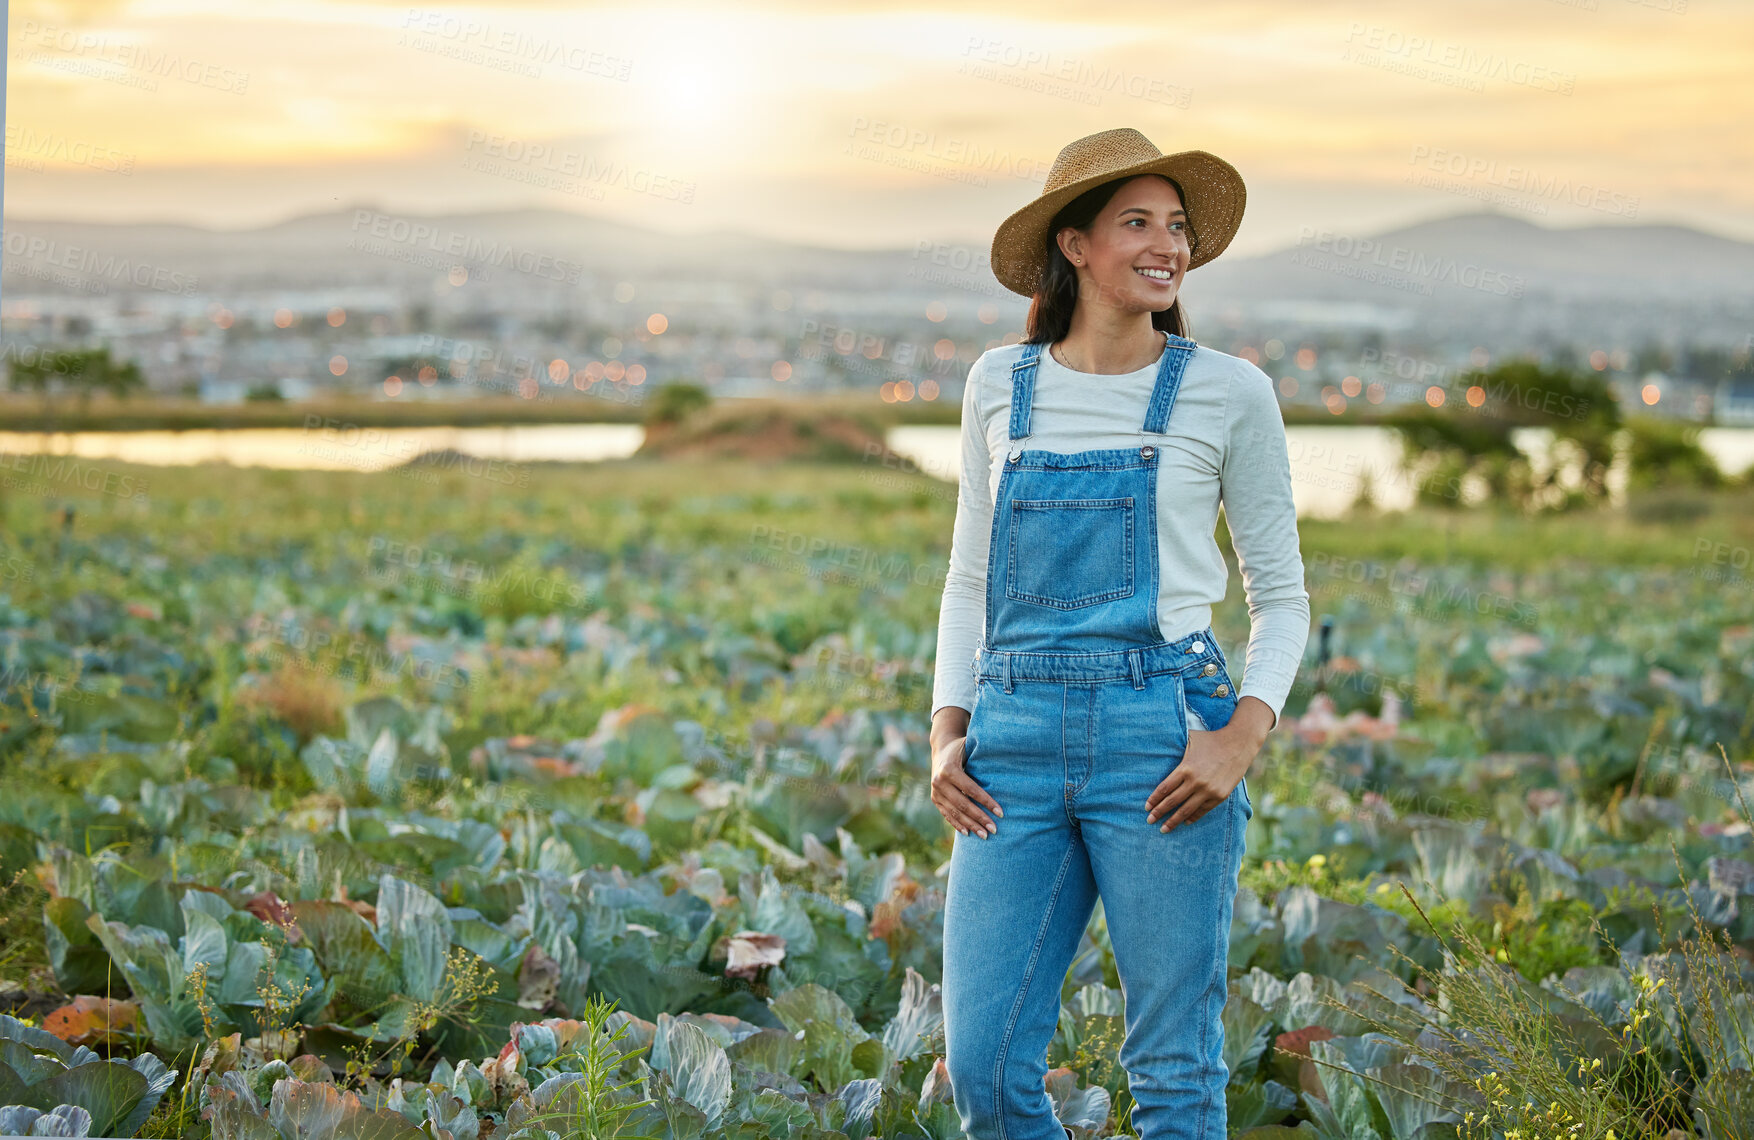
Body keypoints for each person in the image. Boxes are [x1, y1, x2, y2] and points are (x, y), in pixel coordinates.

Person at [928, 127, 1311, 1139]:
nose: (1166, 245)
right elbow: (968, 578)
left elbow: (1281, 594)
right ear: (1074, 245)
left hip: (1163, 736)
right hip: (1007, 742)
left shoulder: (1228, 391)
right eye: (1136, 222)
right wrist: (943, 731)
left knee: (1173, 1073)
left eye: (1176, 226)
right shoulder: (994, 387)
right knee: (982, 1064)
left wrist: (1240, 737)